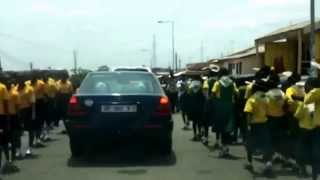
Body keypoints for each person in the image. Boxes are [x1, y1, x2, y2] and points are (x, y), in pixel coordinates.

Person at [244, 79, 273, 174]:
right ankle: (268, 162)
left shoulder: (251, 99)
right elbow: (269, 112)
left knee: (250, 144)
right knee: (266, 143)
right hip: (264, 123)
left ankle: (249, 162)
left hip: (254, 125)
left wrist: (248, 125)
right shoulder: (266, 98)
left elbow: (248, 113)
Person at [211, 68, 238, 157]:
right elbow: (236, 93)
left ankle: (224, 148)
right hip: (229, 107)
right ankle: (226, 147)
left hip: (220, 107)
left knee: (221, 127)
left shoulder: (218, 83)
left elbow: (213, 93)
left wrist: (215, 102)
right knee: (228, 127)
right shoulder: (232, 83)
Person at [302, 78, 320, 180]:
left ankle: (314, 176)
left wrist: (311, 90)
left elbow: (306, 100)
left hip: (318, 128)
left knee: (316, 152)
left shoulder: (316, 92)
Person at [18, 79, 36, 156]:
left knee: (30, 130)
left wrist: (33, 113)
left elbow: (32, 102)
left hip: (27, 110)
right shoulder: (15, 88)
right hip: (18, 111)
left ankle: (29, 148)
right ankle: (18, 150)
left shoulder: (29, 89)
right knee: (18, 131)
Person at [8, 81, 21, 163]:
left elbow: (17, 106)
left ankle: (18, 150)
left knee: (16, 134)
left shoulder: (14, 93)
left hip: (13, 116)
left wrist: (18, 117)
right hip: (4, 116)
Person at [0, 75, 11, 170]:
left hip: (2, 117)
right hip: (2, 117)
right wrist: (7, 118)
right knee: (4, 141)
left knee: (4, 141)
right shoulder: (2, 87)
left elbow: (6, 103)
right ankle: (7, 160)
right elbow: (6, 104)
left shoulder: (2, 87)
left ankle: (7, 161)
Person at [34, 76, 46, 146]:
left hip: (39, 101)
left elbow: (44, 92)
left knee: (40, 119)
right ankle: (38, 136)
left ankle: (40, 134)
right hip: (31, 102)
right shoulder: (28, 83)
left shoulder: (41, 83)